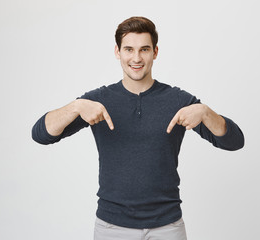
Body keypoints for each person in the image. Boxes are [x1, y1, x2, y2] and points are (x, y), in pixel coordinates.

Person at [32, 16, 244, 240]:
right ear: (117, 52)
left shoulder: (178, 100)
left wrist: (205, 112)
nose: (136, 58)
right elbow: (41, 134)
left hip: (167, 227)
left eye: (144, 49)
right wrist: (75, 107)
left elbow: (234, 142)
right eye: (129, 49)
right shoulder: (97, 101)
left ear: (155, 52)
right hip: (112, 227)